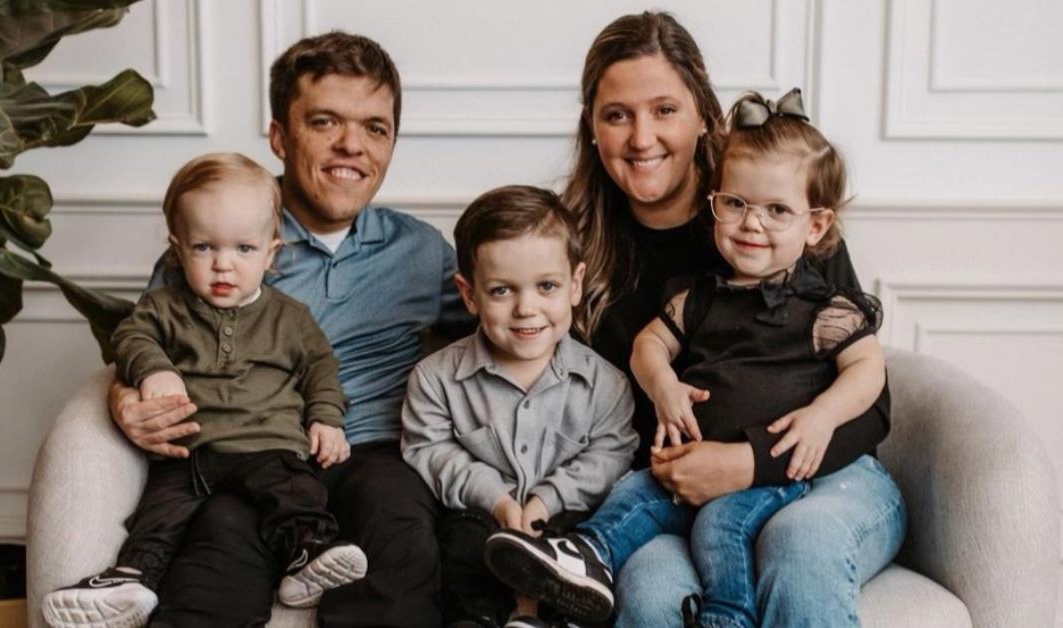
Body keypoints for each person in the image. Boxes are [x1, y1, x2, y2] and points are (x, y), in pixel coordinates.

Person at [485, 90, 897, 628]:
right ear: (717, 202)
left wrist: (822, 416)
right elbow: (648, 344)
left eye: (776, 211)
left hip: (778, 470)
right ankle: (582, 557)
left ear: (814, 226)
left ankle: (728, 614)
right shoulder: (697, 294)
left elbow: (869, 373)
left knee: (726, 522)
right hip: (684, 467)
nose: (752, 224)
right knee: (636, 492)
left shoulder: (823, 304)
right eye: (736, 205)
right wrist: (664, 387)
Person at [105, 33, 471, 628]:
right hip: (248, 450)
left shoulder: (424, 253)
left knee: (403, 537)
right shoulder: (220, 244)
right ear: (280, 136)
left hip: (371, 451)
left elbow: (490, 348)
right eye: (326, 121)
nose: (352, 145)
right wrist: (125, 400)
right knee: (217, 553)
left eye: (375, 128)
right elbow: (143, 344)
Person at [42, 153, 368, 628]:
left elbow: (320, 368)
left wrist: (326, 418)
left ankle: (308, 555)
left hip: (266, 445)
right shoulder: (163, 307)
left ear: (271, 252)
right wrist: (153, 371)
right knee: (159, 516)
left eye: (243, 249)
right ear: (177, 249)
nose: (223, 266)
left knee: (294, 493)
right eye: (203, 248)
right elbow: (129, 338)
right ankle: (131, 581)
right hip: (188, 453)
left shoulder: (291, 318)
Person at [401, 186, 638, 628]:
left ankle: (553, 615)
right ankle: (489, 619)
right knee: (460, 545)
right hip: (481, 517)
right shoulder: (436, 379)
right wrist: (497, 499)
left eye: (546, 286)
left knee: (592, 542)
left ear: (575, 284)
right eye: (502, 291)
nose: (526, 309)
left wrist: (547, 500)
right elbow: (428, 450)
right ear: (469, 295)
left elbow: (611, 456)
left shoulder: (605, 383)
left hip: (566, 518)